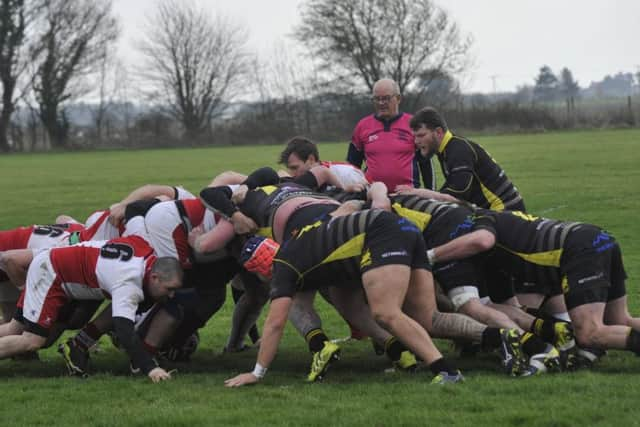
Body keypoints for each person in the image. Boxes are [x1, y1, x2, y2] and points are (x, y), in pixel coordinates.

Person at [224, 210, 464, 387]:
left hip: (381, 233)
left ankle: (446, 371)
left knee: (386, 313)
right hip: (404, 227)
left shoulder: (282, 268)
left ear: (258, 267)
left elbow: (275, 323)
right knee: (425, 317)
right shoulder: (294, 243)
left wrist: (256, 373)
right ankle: (494, 336)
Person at [428, 209, 640, 365]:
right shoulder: (497, 249)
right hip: (596, 237)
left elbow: (483, 240)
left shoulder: (481, 218)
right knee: (619, 320)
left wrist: (431, 255)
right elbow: (508, 306)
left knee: (589, 333)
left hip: (579, 249)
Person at [0, 226, 183, 383]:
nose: (172, 294)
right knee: (32, 340)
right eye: (169, 288)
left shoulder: (145, 248)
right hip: (50, 274)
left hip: (50, 263)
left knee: (13, 329)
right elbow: (124, 329)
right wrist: (150, 369)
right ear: (155, 277)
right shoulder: (128, 282)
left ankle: (78, 345)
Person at [407, 106, 525, 212]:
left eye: (421, 135)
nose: (416, 141)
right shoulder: (449, 148)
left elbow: (458, 193)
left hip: (505, 210)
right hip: (500, 210)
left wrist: (418, 193)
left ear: (438, 132)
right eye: (415, 136)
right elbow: (452, 188)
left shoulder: (457, 151)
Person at [348, 78, 435, 192]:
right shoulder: (362, 126)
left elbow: (426, 164)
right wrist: (353, 189)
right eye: (377, 99)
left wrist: (431, 192)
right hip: (373, 194)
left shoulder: (414, 124)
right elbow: (352, 166)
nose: (381, 103)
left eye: (386, 98)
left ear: (398, 98)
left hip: (407, 194)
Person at [280, 136, 368, 191]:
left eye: (295, 168)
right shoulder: (304, 179)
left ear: (311, 159)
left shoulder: (347, 174)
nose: (292, 174)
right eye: (289, 168)